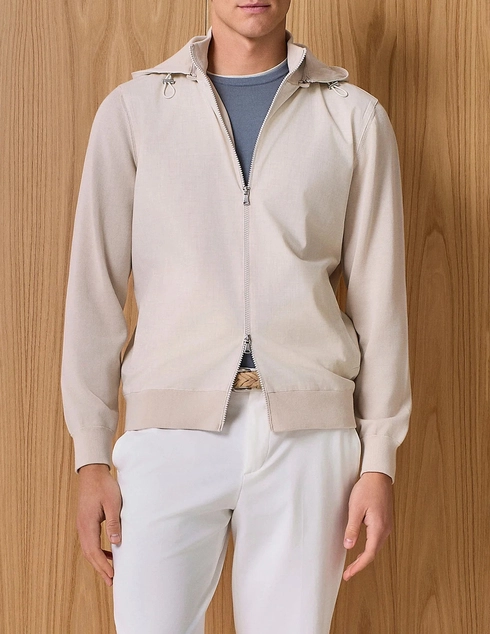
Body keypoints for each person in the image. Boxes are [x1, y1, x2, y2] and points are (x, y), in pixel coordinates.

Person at [60, 0, 412, 632]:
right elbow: (94, 292)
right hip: (168, 436)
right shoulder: (134, 113)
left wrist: (379, 458)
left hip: (309, 439)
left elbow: (380, 304)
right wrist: (90, 457)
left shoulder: (353, 117)